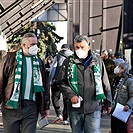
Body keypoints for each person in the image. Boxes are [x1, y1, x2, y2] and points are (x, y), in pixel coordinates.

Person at [58, 35, 112, 133]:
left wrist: (108, 102)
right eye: (77, 47)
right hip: (75, 108)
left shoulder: (97, 61)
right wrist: (71, 95)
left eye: (82, 47)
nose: (79, 50)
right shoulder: (68, 62)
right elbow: (61, 82)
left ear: (89, 47)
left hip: (93, 106)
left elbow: (105, 82)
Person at [0, 32, 50, 133]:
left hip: (31, 107)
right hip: (11, 108)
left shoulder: (38, 62)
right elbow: (1, 80)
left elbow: (45, 84)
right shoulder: (10, 59)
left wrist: (46, 106)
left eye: (36, 44)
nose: (35, 47)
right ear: (23, 45)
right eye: (32, 44)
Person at [50, 44, 73, 124]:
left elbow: (54, 68)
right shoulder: (73, 56)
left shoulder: (58, 56)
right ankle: (65, 118)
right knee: (66, 100)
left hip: (58, 80)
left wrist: (51, 80)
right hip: (68, 82)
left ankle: (59, 114)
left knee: (55, 97)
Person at [110, 63, 133, 133]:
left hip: (123, 109)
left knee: (122, 129)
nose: (116, 68)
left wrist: (128, 105)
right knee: (114, 128)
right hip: (114, 108)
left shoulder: (129, 81)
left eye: (119, 67)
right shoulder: (115, 79)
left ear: (123, 69)